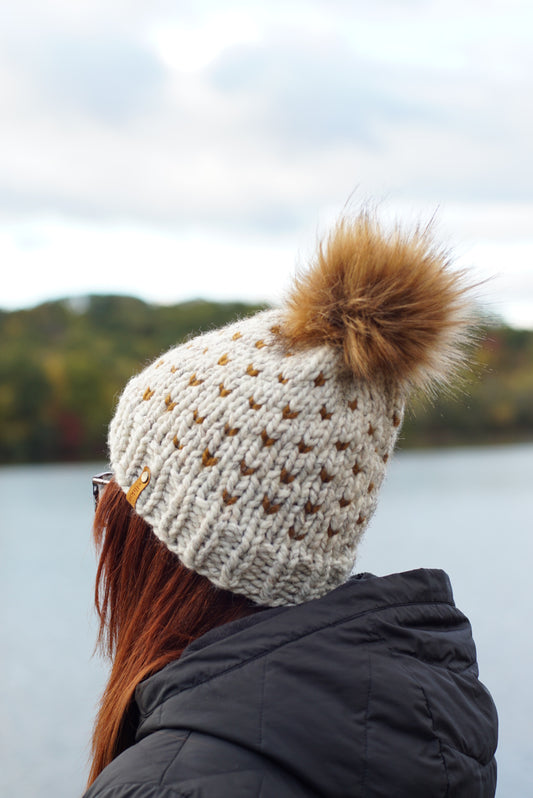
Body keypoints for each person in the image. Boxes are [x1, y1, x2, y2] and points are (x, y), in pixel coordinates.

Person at [84, 213, 498, 797]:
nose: (103, 515)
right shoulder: (422, 732)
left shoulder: (166, 785)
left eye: (112, 491)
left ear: (167, 541)